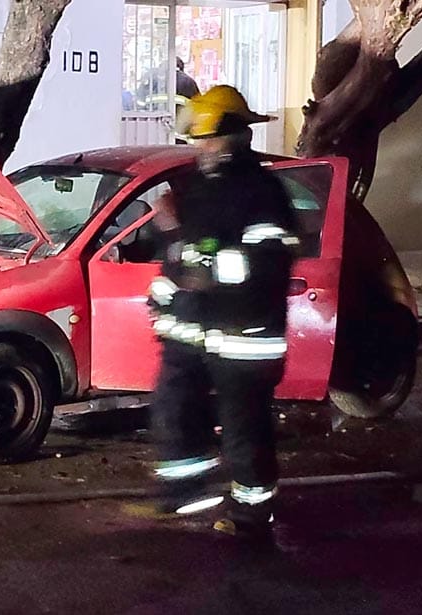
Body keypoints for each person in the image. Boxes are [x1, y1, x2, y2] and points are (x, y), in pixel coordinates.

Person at [145, 85, 300, 540]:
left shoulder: (260, 193)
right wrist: (173, 266)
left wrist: (205, 275)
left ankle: (253, 516)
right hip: (202, 334)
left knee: (244, 428)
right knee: (176, 410)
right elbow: (183, 257)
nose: (201, 149)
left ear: (231, 137)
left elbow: (265, 264)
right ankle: (187, 493)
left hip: (245, 337)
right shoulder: (201, 189)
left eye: (207, 140)